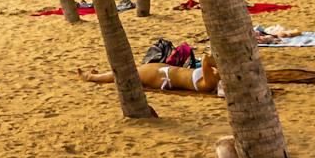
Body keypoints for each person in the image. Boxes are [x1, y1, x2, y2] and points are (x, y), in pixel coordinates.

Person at [79, 50, 221, 93]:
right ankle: (97, 75)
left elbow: (206, 59)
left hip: (162, 77)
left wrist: (221, 65)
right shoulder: (214, 78)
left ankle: (91, 77)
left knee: (128, 73)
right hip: (165, 71)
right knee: (133, 70)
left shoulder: (208, 84)